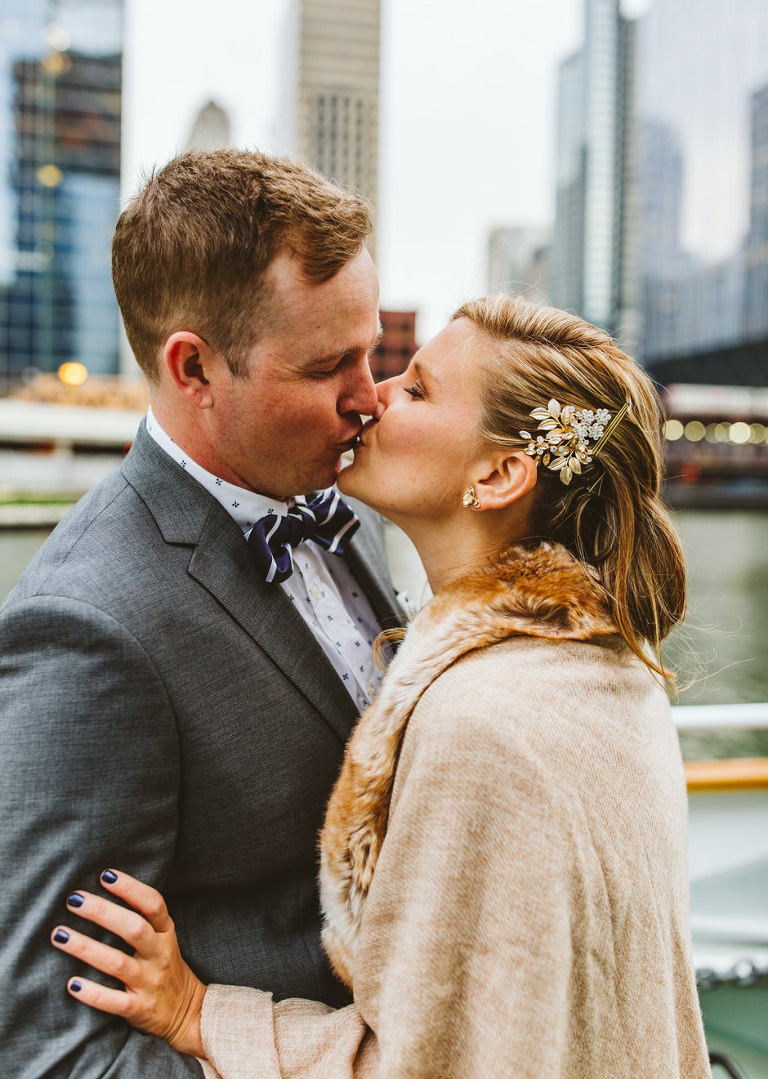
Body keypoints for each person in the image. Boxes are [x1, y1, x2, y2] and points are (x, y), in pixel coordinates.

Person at [50, 297, 711, 1078]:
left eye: (417, 389)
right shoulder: (605, 661)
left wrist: (200, 1014)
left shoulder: (480, 722)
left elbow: (427, 1066)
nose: (373, 396)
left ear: (499, 474)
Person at [0, 149, 403, 1078]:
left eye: (372, 350)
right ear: (194, 367)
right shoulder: (86, 627)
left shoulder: (361, 505)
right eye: (329, 365)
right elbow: (52, 1051)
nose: (370, 398)